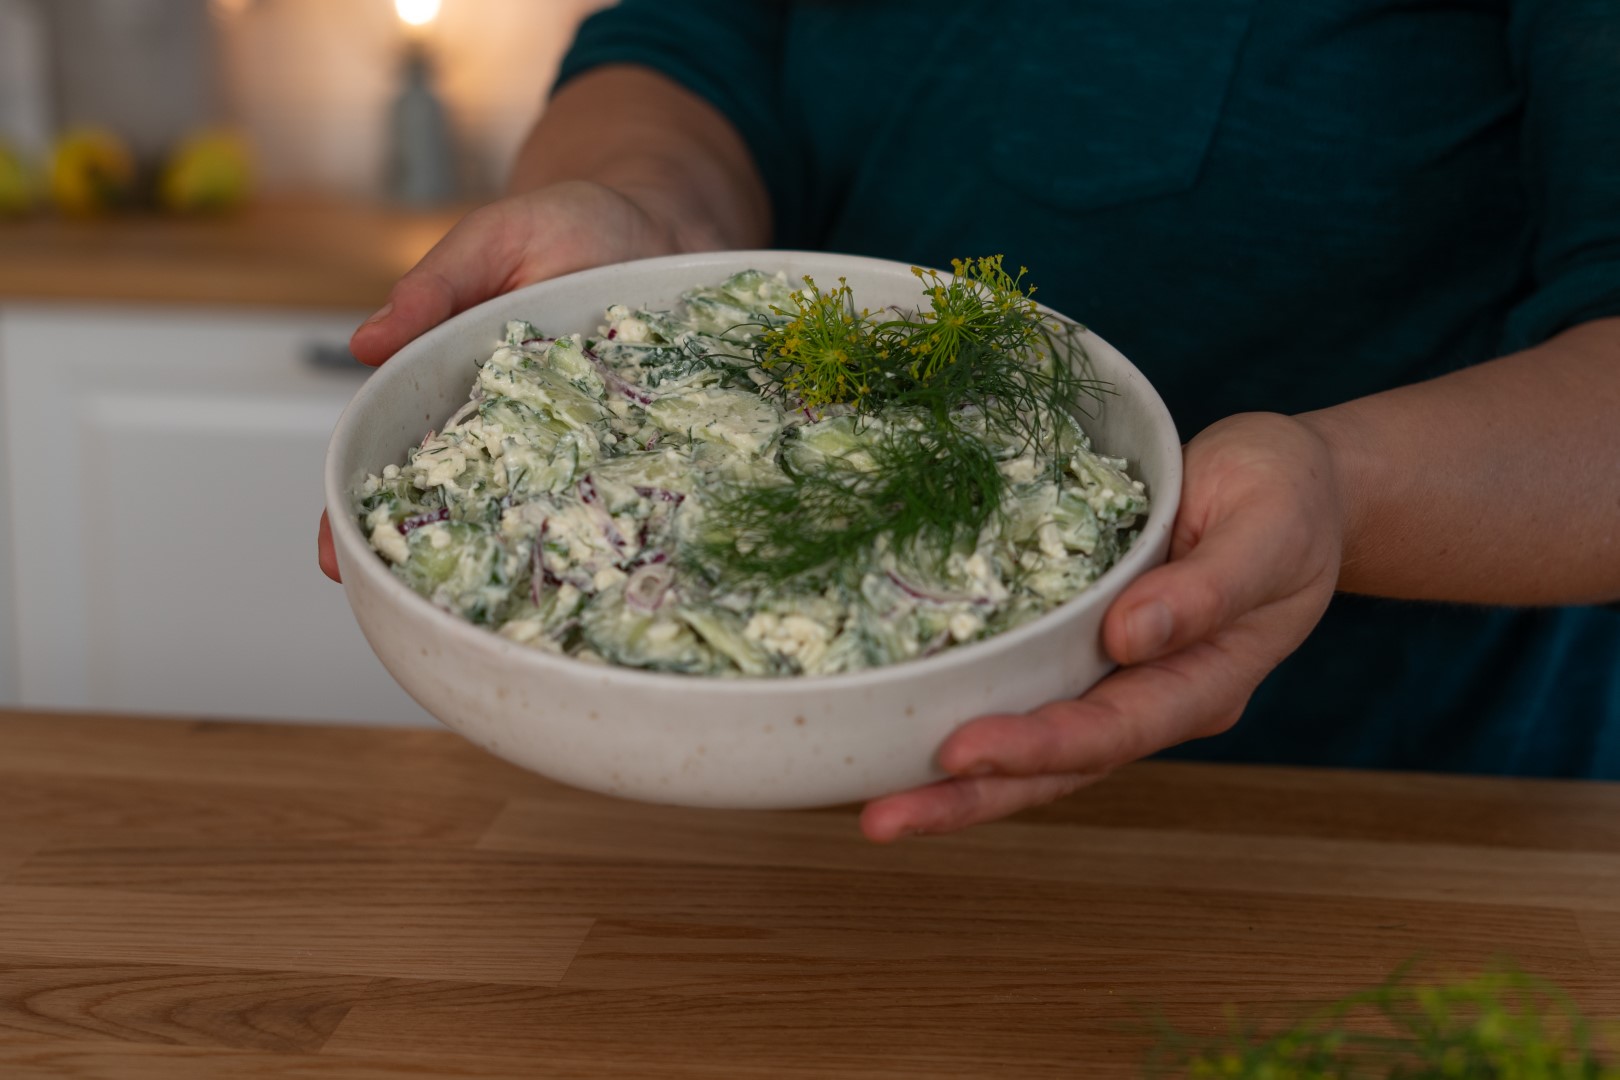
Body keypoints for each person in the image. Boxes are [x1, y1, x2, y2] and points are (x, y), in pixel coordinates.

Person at [318, 0, 1620, 843]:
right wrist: (644, 222)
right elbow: (691, 46)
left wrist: (1336, 486)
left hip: (1362, 835)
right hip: (736, 821)